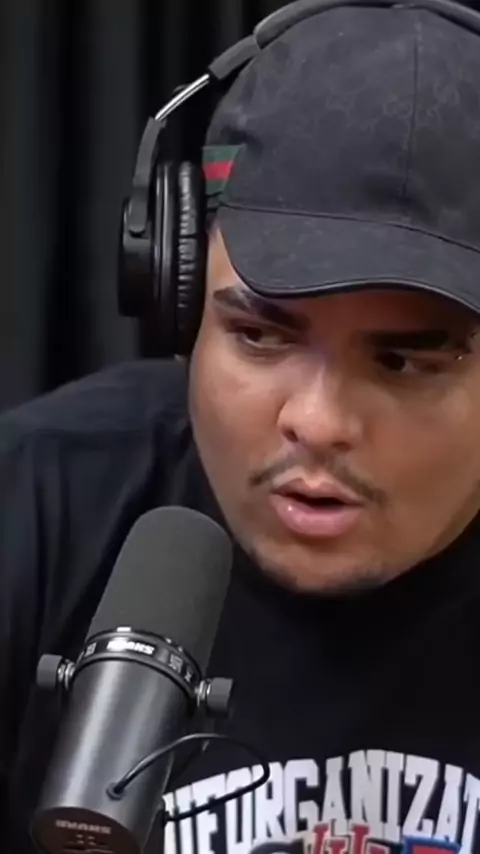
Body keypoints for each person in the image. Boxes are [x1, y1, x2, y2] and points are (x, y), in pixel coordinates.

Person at [3, 0, 480, 851]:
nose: (317, 422)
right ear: (178, 297)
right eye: (261, 336)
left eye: (403, 361)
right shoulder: (34, 502)